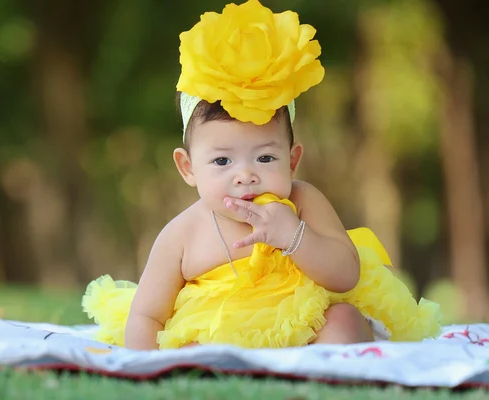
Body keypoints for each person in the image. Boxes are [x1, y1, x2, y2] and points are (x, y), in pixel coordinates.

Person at [82, 0, 442, 350]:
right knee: (190, 345)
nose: (245, 175)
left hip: (305, 324)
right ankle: (220, 373)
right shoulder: (182, 234)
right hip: (220, 332)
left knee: (344, 319)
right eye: (222, 162)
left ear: (292, 160)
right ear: (188, 167)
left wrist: (294, 236)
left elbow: (347, 273)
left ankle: (326, 370)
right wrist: (144, 368)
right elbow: (146, 316)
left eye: (266, 157)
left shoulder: (302, 202)